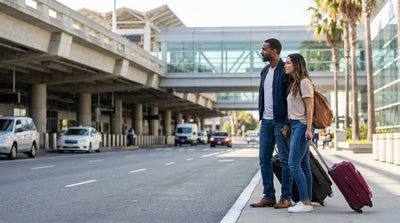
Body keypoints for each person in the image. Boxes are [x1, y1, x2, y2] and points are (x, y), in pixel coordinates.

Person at [250, 38, 293, 209]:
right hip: (266, 122)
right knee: (263, 159)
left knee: (285, 160)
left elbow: (291, 99)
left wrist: (288, 123)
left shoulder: (285, 71)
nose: (261, 52)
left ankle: (286, 197)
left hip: (281, 122)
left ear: (274, 51)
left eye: (264, 49)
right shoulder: (264, 71)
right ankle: (269, 196)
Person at [285, 53, 314, 213]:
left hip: (302, 126)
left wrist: (308, 128)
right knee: (304, 165)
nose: (285, 65)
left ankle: (304, 202)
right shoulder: (295, 83)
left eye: (288, 62)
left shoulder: (304, 83)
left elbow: (310, 107)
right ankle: (307, 200)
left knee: (293, 164)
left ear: (296, 64)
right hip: (296, 125)